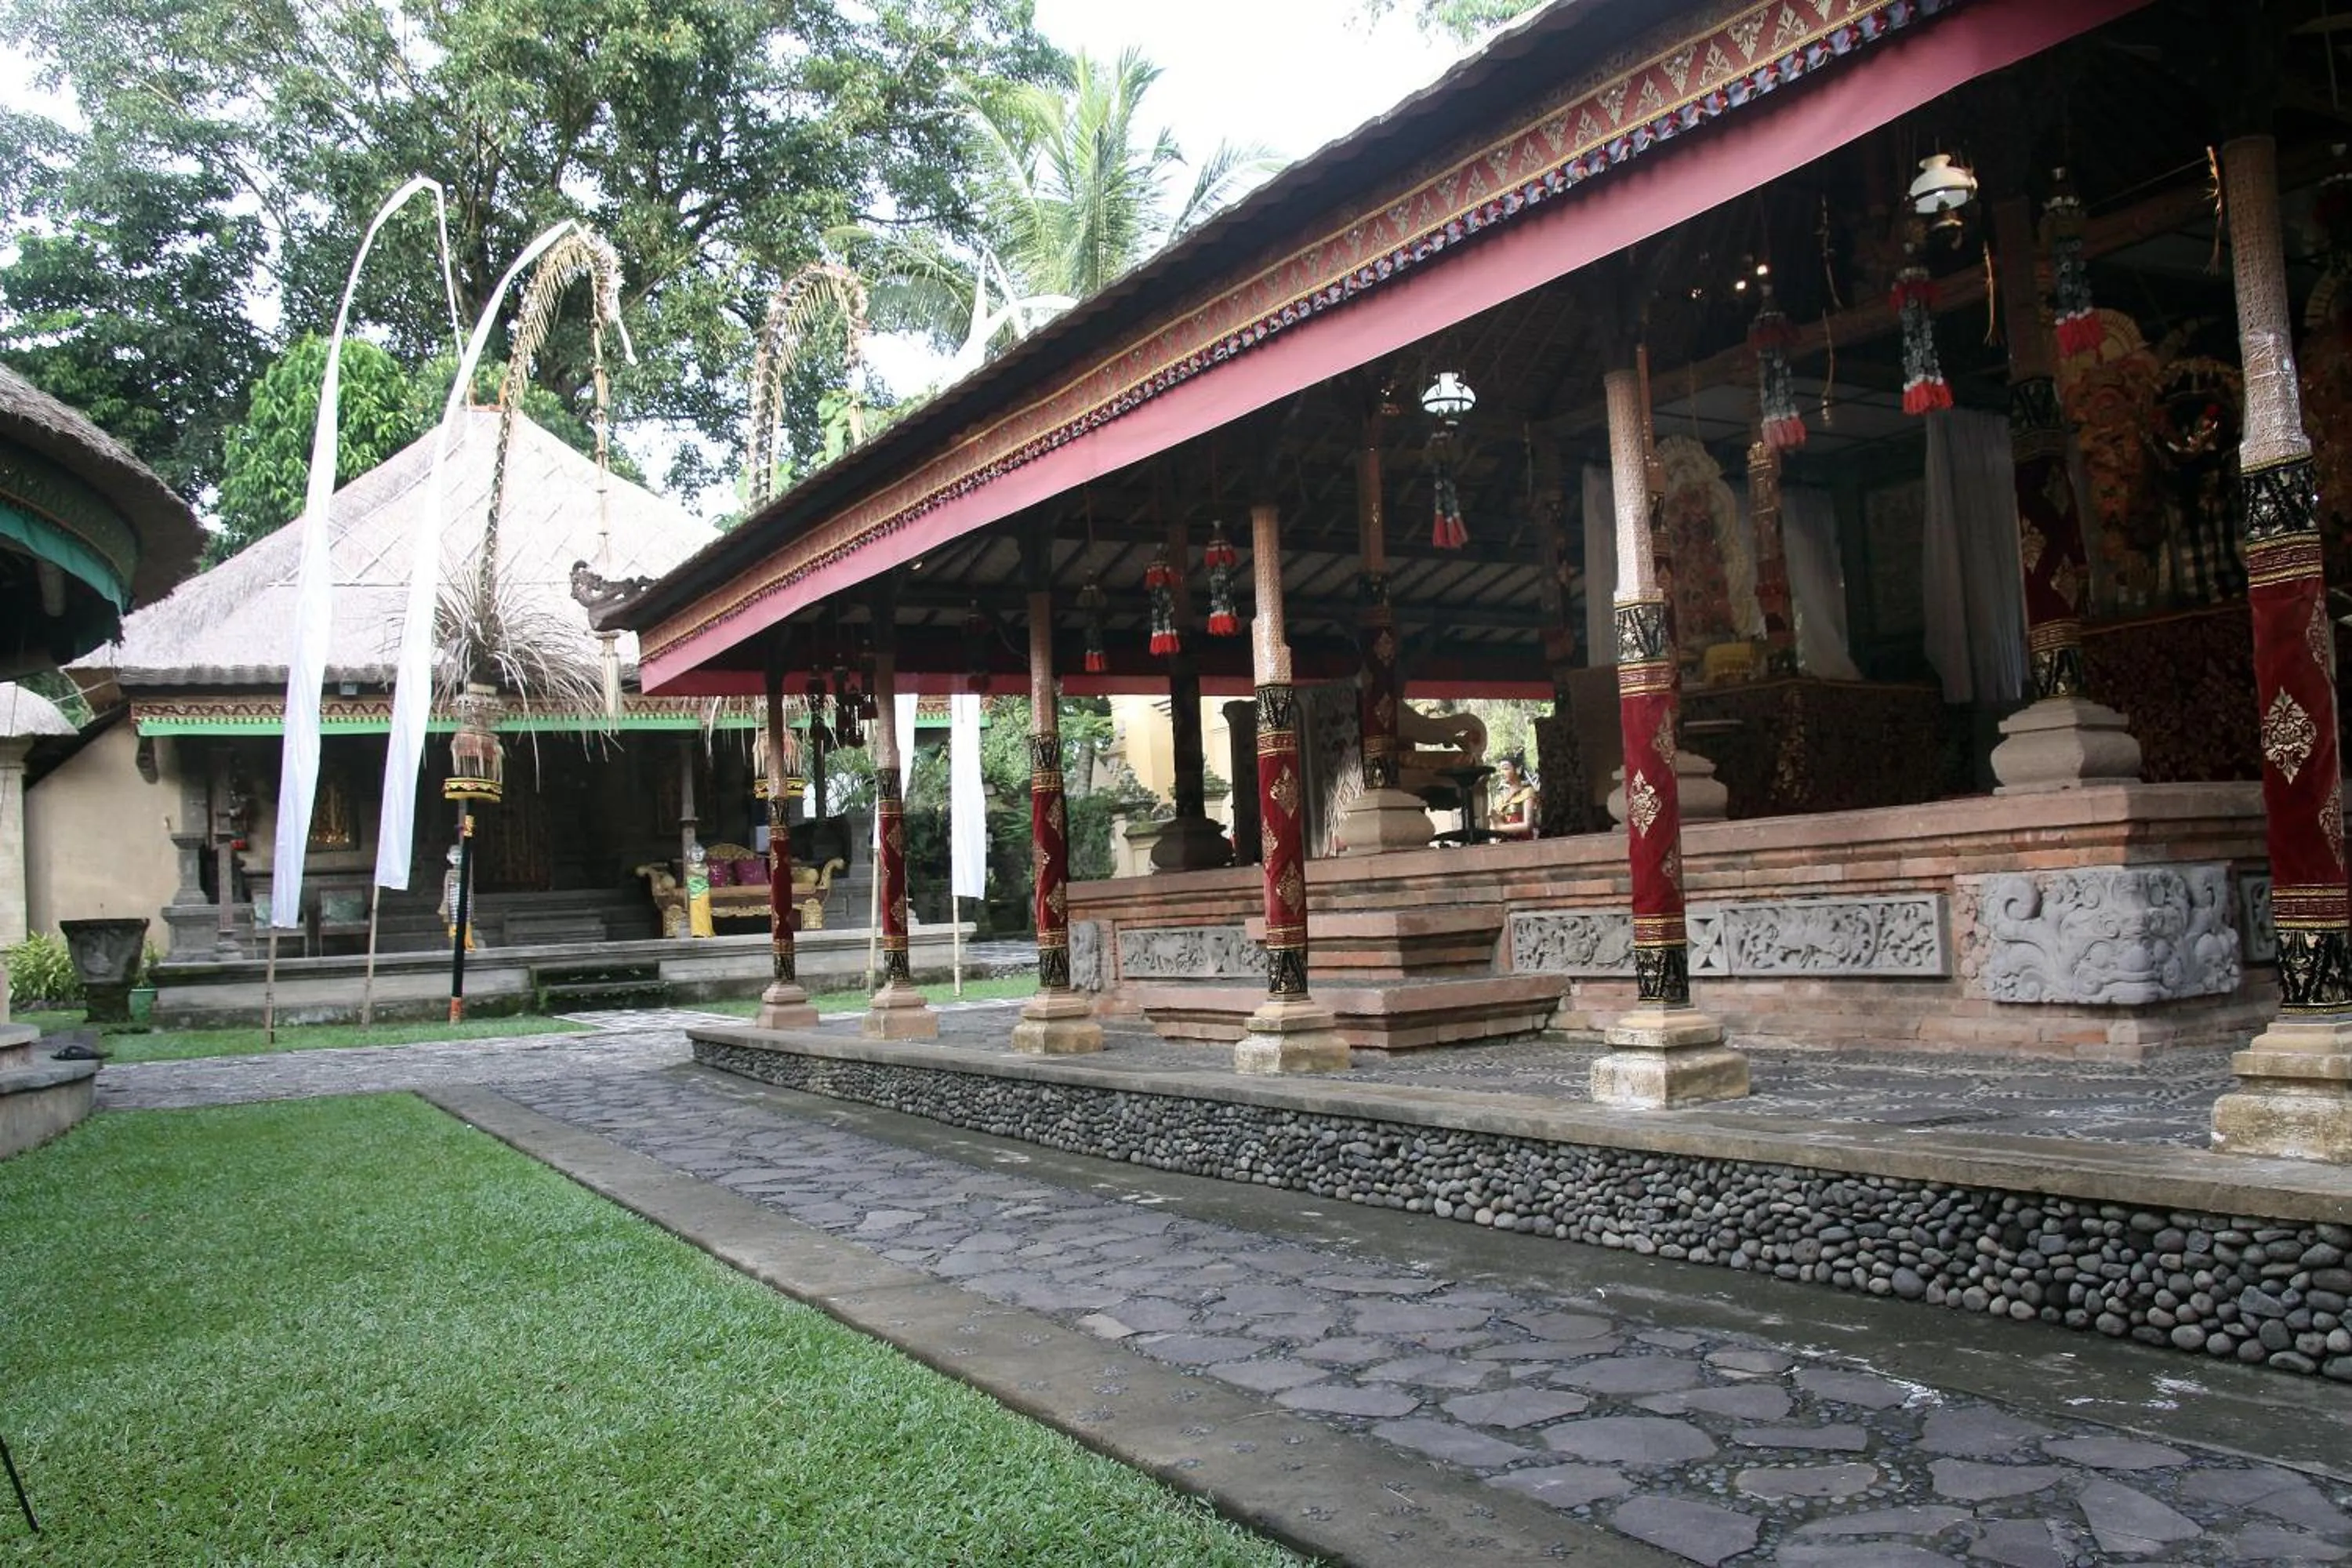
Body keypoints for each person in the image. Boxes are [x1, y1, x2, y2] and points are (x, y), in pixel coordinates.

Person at [1490, 753, 1538, 838]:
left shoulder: (1527, 792)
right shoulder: (1502, 799)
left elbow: (1527, 825)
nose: (1502, 773)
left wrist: (1501, 827)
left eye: (1505, 768)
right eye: (1500, 770)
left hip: (1523, 842)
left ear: (1518, 769)